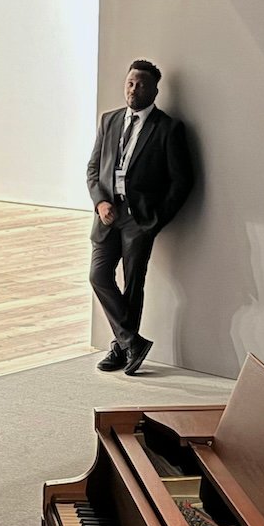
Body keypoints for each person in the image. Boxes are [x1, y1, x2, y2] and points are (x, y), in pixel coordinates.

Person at [85, 59, 195, 375]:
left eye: (142, 84)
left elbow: (182, 180)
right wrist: (99, 202)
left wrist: (156, 220)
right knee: (98, 276)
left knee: (133, 285)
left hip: (140, 219)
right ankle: (131, 342)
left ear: (155, 90)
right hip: (107, 214)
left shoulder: (168, 128)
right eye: (131, 83)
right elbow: (93, 169)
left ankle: (121, 351)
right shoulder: (109, 121)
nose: (134, 89)